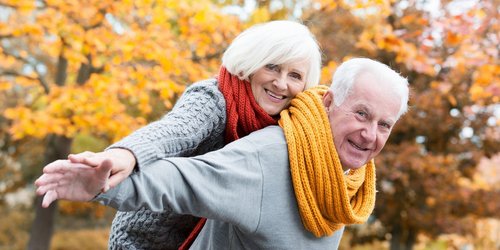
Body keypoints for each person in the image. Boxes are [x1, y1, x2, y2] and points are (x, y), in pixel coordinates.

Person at [35, 58, 410, 249]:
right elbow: (182, 178)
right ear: (329, 103)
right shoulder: (271, 158)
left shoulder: (344, 182)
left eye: (384, 125)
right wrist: (99, 184)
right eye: (361, 114)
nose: (369, 134)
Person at [55, 20, 322, 249]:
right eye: (272, 66)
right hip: (145, 242)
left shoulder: (286, 127)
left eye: (295, 75)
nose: (281, 83)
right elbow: (176, 129)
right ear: (252, 64)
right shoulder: (215, 99)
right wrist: (124, 154)